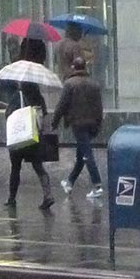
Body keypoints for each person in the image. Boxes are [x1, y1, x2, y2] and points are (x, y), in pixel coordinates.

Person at [53, 58, 105, 199]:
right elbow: (99, 107)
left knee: (87, 155)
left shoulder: (70, 84)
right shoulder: (95, 84)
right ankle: (69, 182)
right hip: (92, 124)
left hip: (78, 124)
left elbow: (61, 105)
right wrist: (98, 123)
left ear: (73, 68)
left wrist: (54, 122)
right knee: (81, 156)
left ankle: (97, 185)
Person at [6, 71, 57, 210]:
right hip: (34, 138)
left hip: (19, 137)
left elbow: (9, 115)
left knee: (15, 168)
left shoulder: (18, 96)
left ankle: (12, 198)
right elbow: (44, 115)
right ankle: (48, 195)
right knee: (38, 166)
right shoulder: (39, 98)